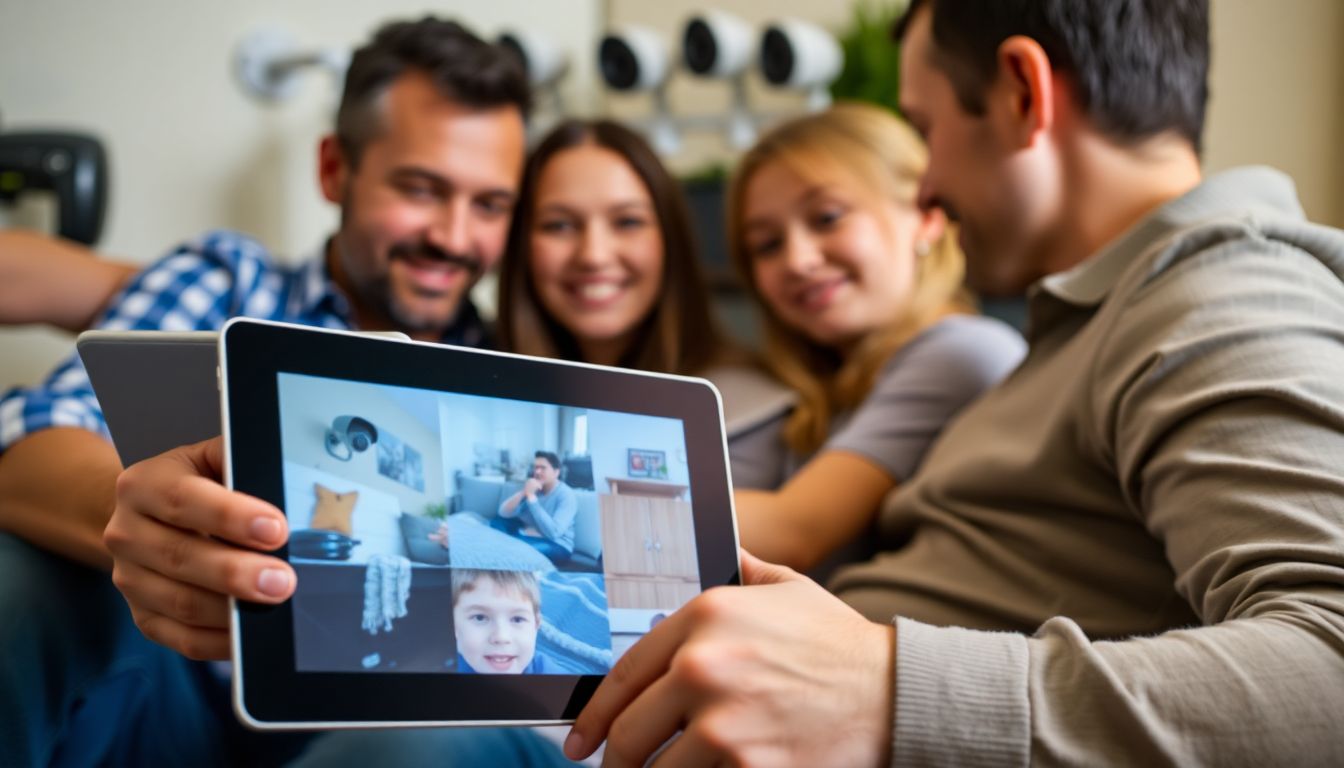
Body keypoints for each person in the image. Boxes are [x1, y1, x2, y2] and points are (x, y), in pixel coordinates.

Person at [561, 1, 1344, 765]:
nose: (925, 187)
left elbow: (1330, 665)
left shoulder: (1221, 289)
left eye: (927, 131)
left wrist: (880, 690)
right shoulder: (1091, 327)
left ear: (1021, 94)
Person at [0, 17, 540, 766]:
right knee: (22, 576)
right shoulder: (231, 284)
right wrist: (140, 522)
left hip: (380, 731)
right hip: (178, 701)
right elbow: (36, 434)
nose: (454, 236)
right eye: (421, 188)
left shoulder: (507, 375)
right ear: (333, 170)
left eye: (489, 206)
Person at [725, 103, 1025, 572]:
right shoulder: (827, 393)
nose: (797, 260)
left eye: (827, 217)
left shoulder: (962, 351)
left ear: (926, 214)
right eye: (767, 244)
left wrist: (580, 504)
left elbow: (794, 532)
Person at [495, 117, 794, 489]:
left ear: (671, 241)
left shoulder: (748, 414)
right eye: (559, 225)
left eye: (627, 222)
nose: (593, 255)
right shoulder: (478, 380)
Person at [451, 568, 555, 674]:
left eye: (517, 619)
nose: (501, 637)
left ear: (536, 625)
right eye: (480, 617)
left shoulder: (547, 671)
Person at [494, 451, 578, 564]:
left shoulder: (566, 495)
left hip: (557, 546)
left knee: (513, 549)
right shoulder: (534, 489)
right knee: (496, 522)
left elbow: (554, 533)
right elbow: (503, 513)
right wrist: (524, 492)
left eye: (543, 468)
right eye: (535, 468)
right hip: (530, 537)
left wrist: (531, 498)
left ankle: (510, 543)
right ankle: (510, 542)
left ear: (556, 472)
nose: (537, 472)